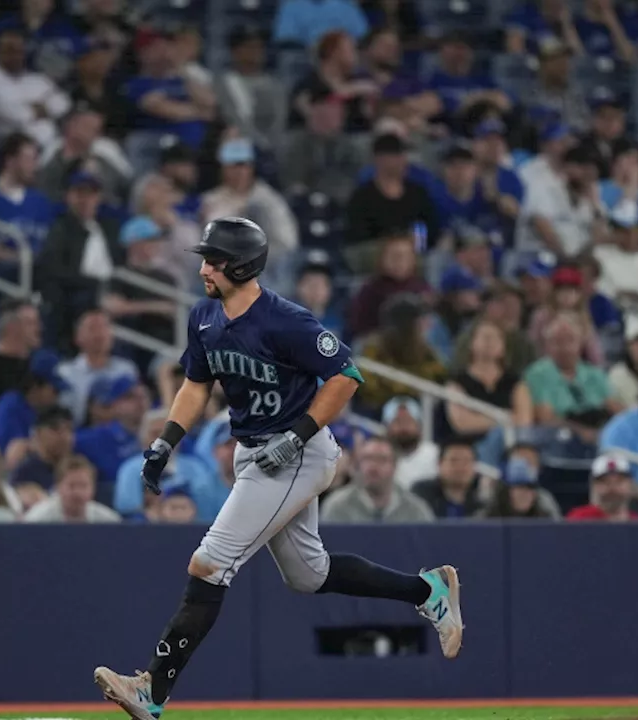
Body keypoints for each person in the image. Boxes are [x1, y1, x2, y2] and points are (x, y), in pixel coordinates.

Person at [93, 218, 464, 720]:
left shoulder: (284, 319)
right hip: (255, 451)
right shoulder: (204, 315)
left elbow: (346, 375)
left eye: (213, 260)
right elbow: (196, 384)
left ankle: (152, 690)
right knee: (310, 576)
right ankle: (428, 590)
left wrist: (297, 436)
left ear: (241, 265)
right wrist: (166, 440)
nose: (203, 267)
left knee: (210, 562)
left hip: (299, 451)